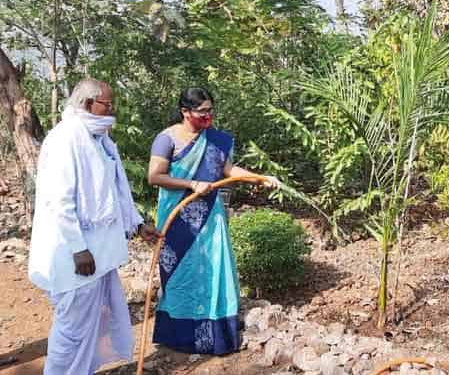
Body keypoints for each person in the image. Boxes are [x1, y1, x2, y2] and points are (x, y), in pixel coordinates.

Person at [28, 79, 159, 374]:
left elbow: (113, 191)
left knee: (90, 326)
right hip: (75, 257)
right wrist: (78, 249)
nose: (112, 111)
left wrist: (137, 225)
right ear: (88, 104)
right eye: (107, 105)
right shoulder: (66, 139)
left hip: (98, 254)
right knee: (73, 329)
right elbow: (59, 199)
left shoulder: (99, 139)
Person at [147, 87, 278, 354]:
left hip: (211, 217)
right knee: (180, 275)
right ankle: (178, 336)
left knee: (213, 270)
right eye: (202, 111)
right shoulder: (166, 139)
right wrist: (191, 183)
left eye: (210, 110)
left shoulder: (216, 140)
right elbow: (155, 176)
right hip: (177, 218)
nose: (208, 116)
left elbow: (228, 171)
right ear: (185, 112)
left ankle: (216, 336)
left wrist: (260, 178)